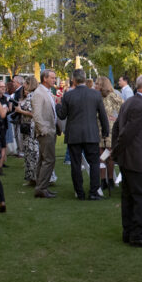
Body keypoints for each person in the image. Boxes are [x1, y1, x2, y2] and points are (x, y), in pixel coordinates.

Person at [111, 73, 142, 247]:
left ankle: (129, 232)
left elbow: (117, 129)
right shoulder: (139, 106)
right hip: (137, 160)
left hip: (129, 159)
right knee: (140, 197)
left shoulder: (131, 102)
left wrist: (117, 152)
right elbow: (126, 133)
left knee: (129, 197)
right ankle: (136, 234)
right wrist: (117, 151)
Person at [58, 68, 110, 200]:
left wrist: (58, 105)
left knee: (75, 164)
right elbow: (103, 115)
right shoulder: (95, 95)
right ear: (85, 78)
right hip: (91, 133)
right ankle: (93, 192)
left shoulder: (68, 95)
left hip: (74, 134)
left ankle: (79, 192)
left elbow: (62, 115)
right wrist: (105, 131)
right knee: (94, 163)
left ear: (73, 80)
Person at [32, 70, 59, 199]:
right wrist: (44, 130)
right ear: (45, 79)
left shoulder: (47, 92)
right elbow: (36, 115)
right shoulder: (39, 93)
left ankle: (41, 187)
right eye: (52, 78)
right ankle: (42, 188)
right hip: (46, 132)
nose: (54, 80)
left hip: (50, 130)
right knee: (49, 160)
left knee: (44, 160)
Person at [96, 75, 123, 191]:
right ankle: (103, 180)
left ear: (103, 85)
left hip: (109, 129)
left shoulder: (112, 96)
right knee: (101, 156)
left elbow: (124, 107)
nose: (95, 85)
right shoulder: (96, 96)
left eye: (97, 84)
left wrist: (117, 119)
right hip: (98, 128)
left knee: (109, 155)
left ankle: (111, 179)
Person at [14, 76, 40, 185]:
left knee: (31, 153)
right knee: (31, 153)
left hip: (30, 128)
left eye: (25, 83)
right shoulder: (35, 95)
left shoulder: (31, 96)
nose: (23, 85)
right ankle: (33, 178)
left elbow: (33, 113)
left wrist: (20, 111)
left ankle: (34, 178)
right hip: (30, 128)